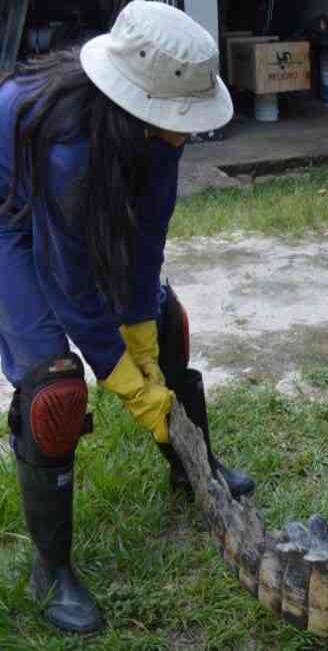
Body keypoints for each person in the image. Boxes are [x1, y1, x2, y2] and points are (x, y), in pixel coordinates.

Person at [1, 2, 254, 634]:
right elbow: (69, 283)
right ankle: (51, 571)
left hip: (63, 206)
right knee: (54, 388)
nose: (187, 128)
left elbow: (146, 240)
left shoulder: (158, 129)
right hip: (6, 220)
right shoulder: (68, 146)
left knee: (169, 324)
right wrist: (129, 382)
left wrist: (143, 332)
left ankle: (191, 468)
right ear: (139, 101)